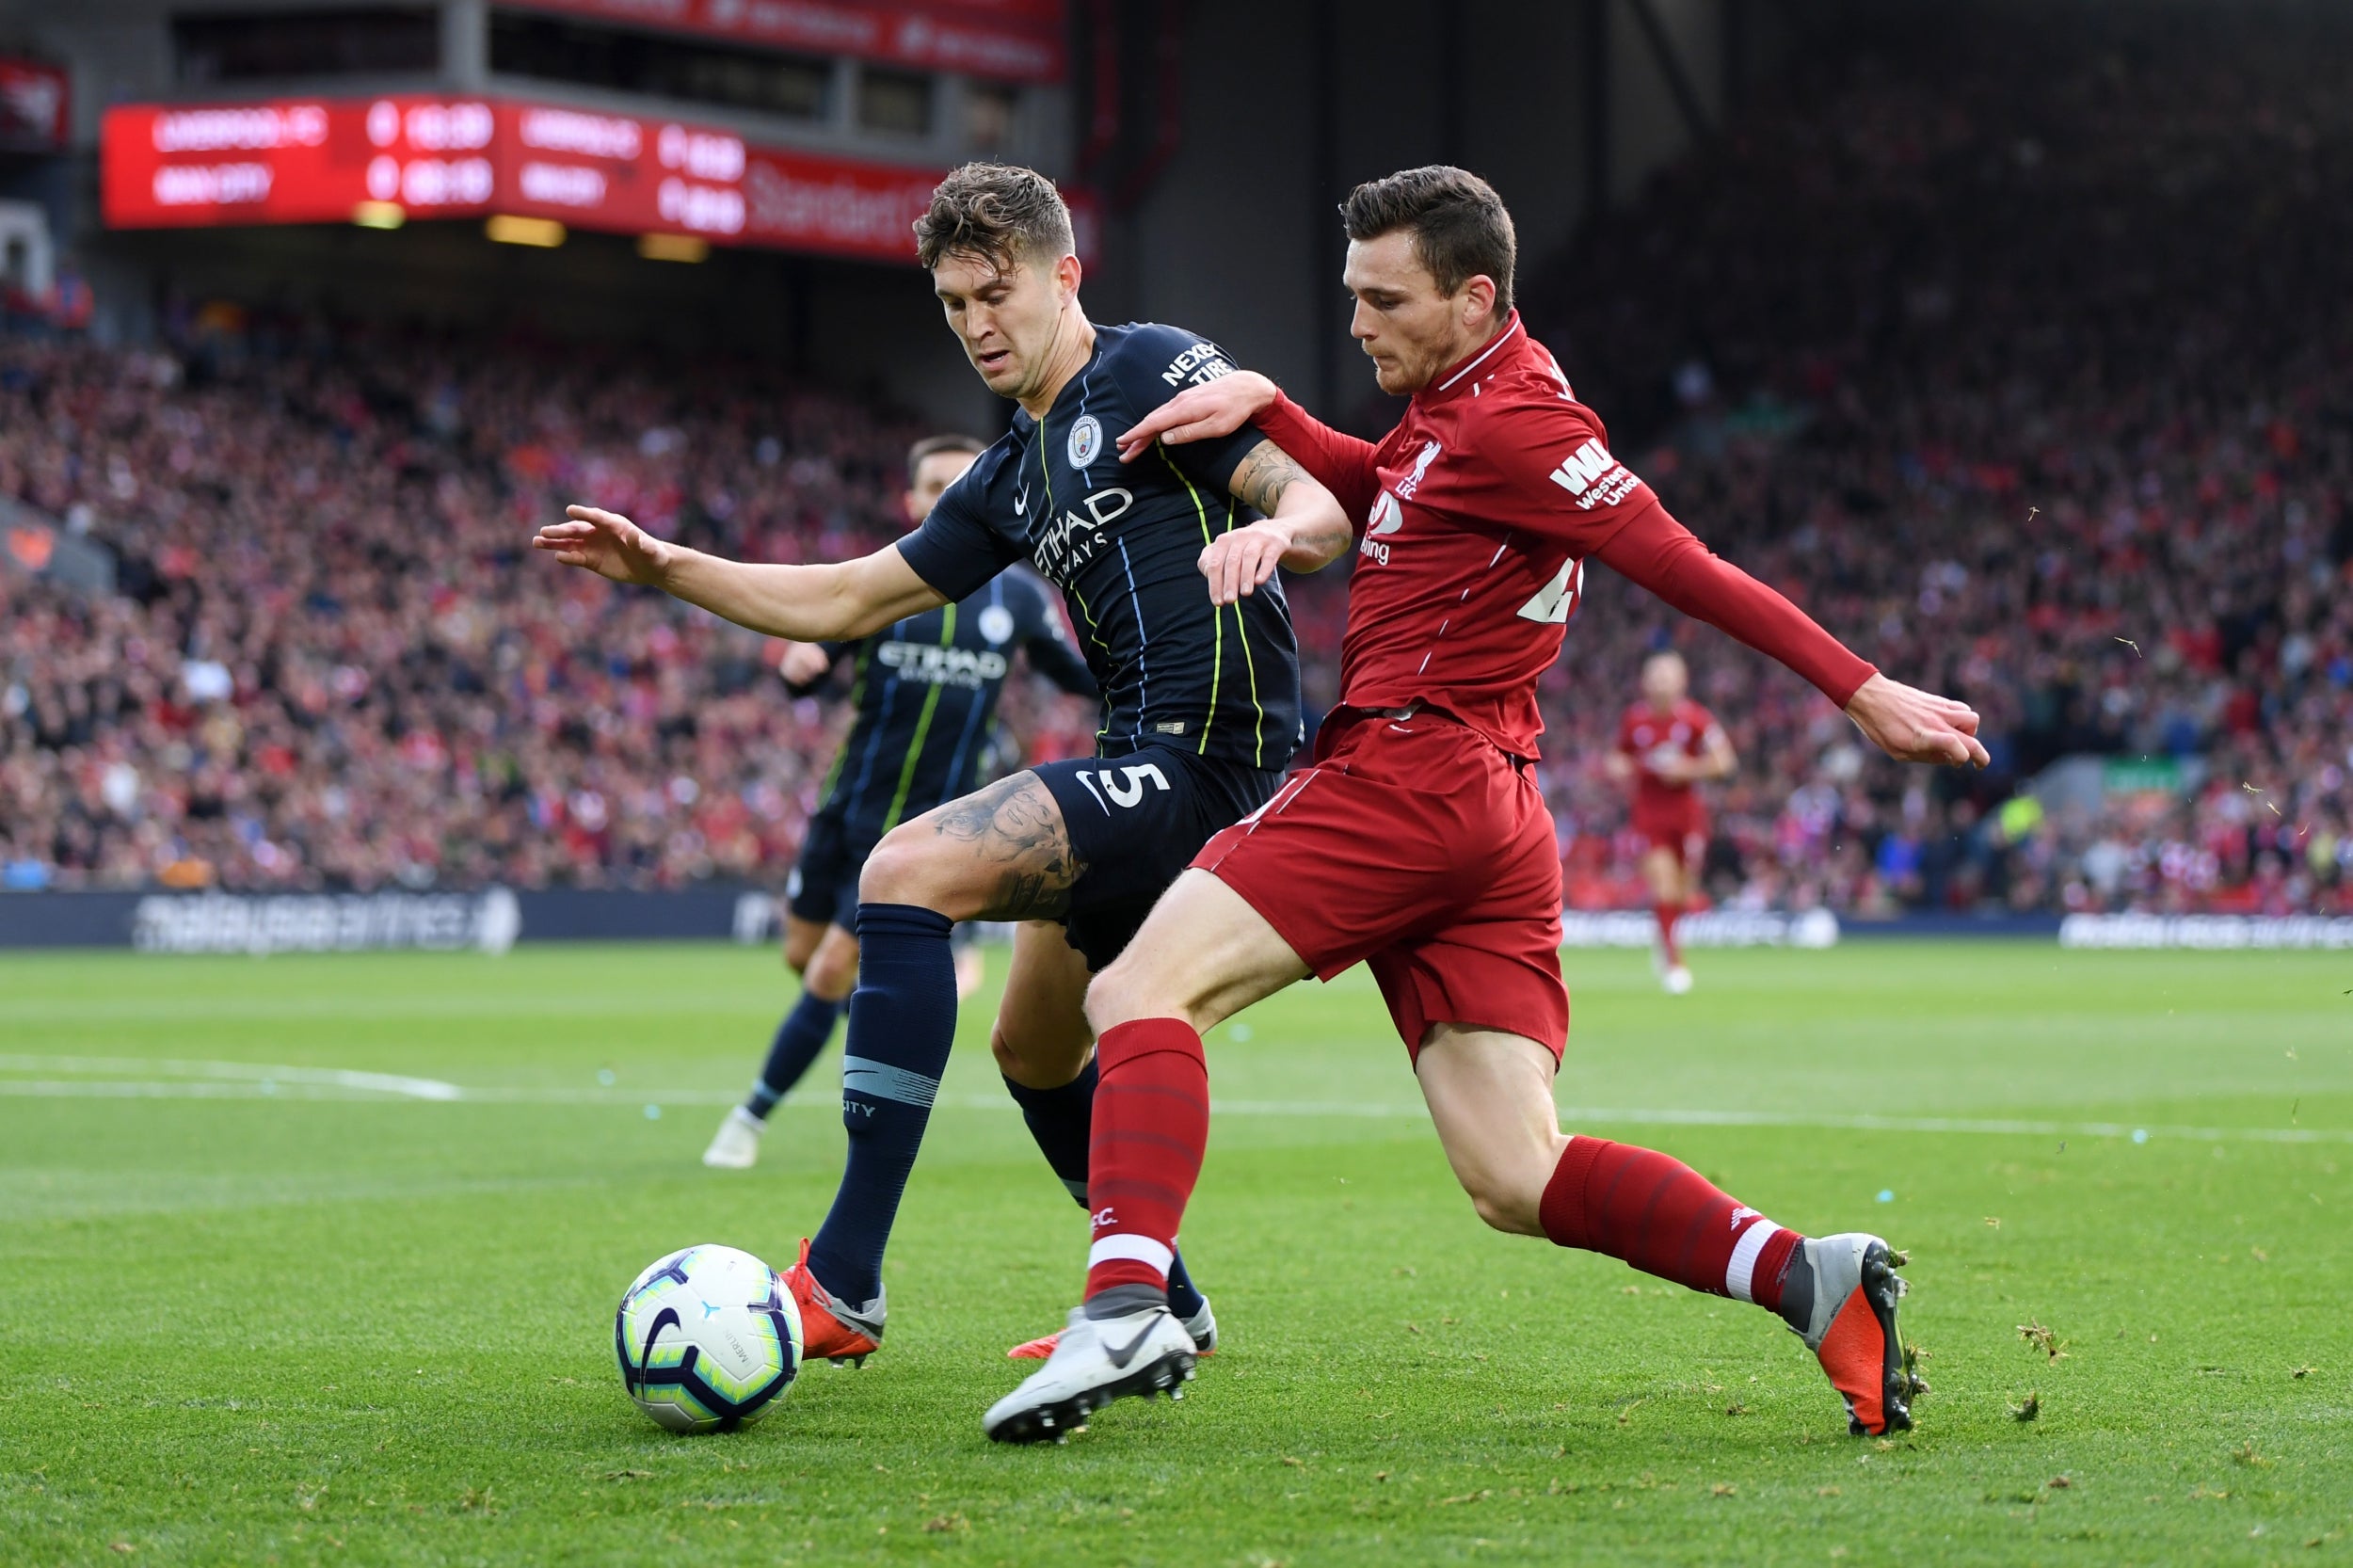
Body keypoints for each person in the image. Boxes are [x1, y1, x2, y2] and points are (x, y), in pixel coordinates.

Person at [981, 167, 1985, 1444]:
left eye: (1384, 299)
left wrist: (1861, 688)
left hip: (1405, 773)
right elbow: (1388, 490)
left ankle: (1126, 1308)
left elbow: (1679, 560)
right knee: (1517, 1172)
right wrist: (1278, 408)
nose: (1359, 324)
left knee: (1132, 992)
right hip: (1492, 809)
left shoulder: (1520, 423)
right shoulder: (1451, 402)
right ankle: (1810, 1276)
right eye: (1350, 297)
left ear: (1473, 295)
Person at [536, 160, 1348, 1368]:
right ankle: (1167, 1307)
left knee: (905, 868)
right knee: (1031, 1052)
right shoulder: (1011, 473)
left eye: (994, 293)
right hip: (1137, 760)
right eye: (953, 303)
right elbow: (851, 595)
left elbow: (1309, 496)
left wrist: (1281, 531)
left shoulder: (1145, 367)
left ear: (1063, 276)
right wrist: (669, 568)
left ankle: (844, 1281)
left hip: (1217, 766)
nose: (975, 325)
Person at [702, 433, 1099, 1171]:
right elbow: (813, 650)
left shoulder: (1017, 596)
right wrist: (801, 666)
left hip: (927, 828)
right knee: (803, 956)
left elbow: (1076, 674)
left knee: (828, 971)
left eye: (963, 481)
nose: (948, 495)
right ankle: (913, 1003)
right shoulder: (885, 582)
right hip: (846, 808)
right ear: (911, 500)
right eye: (934, 485)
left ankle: (748, 1117)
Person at [1605, 648, 1735, 994]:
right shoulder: (1634, 720)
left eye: (1667, 675)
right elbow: (1616, 758)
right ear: (1645, 681)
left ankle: (1664, 939)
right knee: (1662, 883)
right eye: (1655, 675)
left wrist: (1689, 769)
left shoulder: (1696, 720)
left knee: (1681, 891)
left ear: (1682, 681)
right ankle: (1674, 963)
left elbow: (1725, 761)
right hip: (1649, 815)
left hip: (1688, 815)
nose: (1661, 682)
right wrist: (1620, 766)